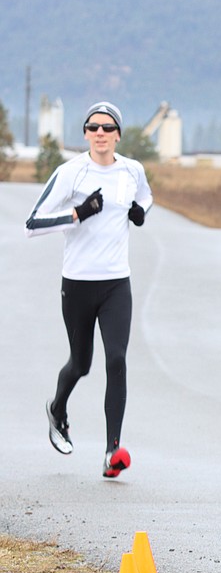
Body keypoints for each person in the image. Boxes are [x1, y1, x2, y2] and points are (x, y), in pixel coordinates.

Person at [25, 101, 153, 479]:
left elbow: (145, 196)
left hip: (116, 283)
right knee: (81, 363)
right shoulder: (70, 173)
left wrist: (140, 212)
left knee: (117, 359)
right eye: (93, 127)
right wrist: (77, 214)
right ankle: (57, 409)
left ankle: (112, 450)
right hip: (78, 284)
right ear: (85, 133)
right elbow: (32, 223)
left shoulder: (132, 170)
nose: (100, 133)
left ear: (117, 135)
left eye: (107, 127)